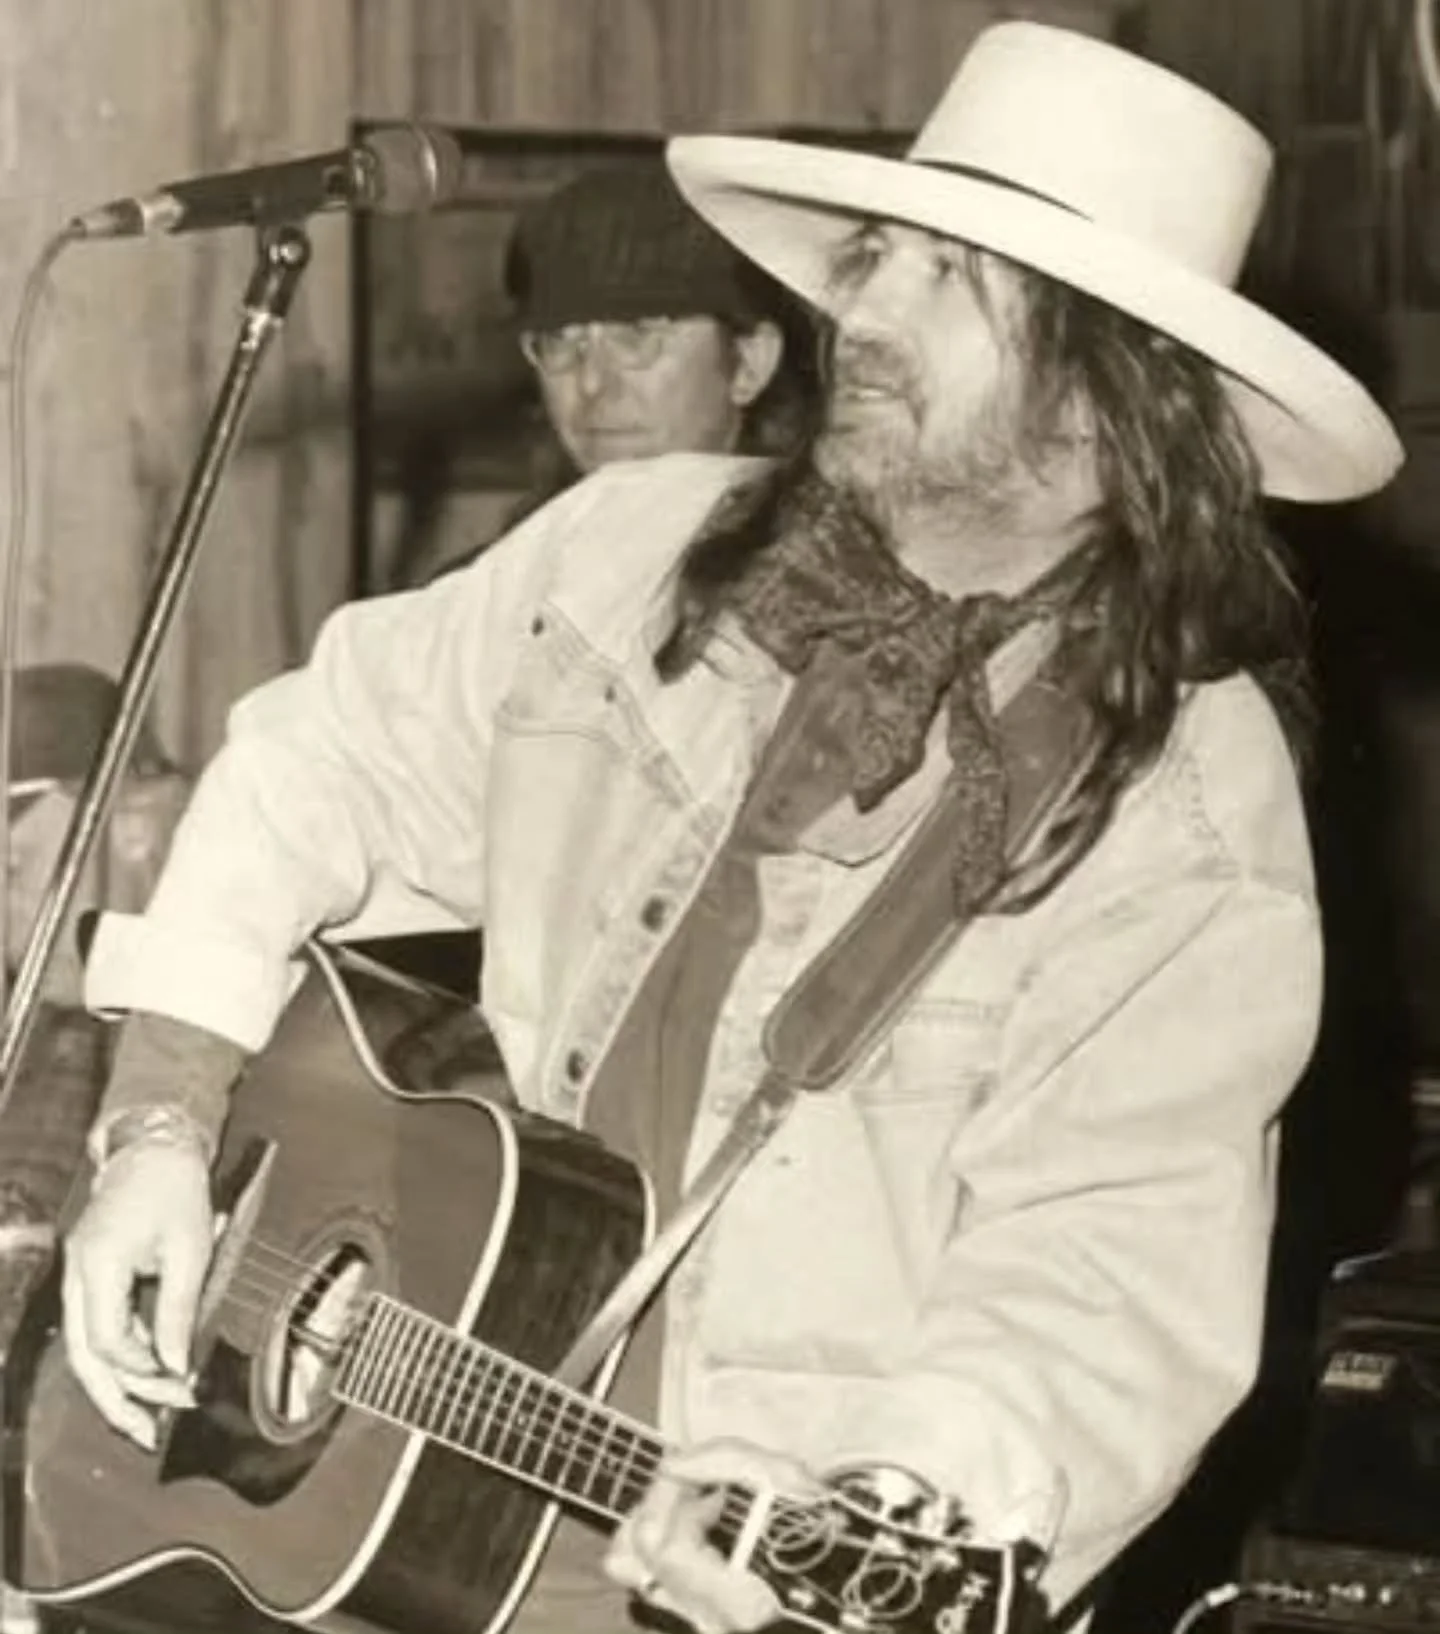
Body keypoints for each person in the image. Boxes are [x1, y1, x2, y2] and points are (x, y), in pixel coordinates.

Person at [59, 21, 1402, 1634]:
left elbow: (1103, 1282)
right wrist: (159, 1124)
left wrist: (879, 1511)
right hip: (375, 1510)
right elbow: (312, 754)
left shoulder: (1187, 794)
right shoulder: (638, 548)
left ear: (1104, 384)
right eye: (876, 255)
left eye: (943, 280)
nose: (861, 312)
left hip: (707, 1568)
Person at [398, 157, 812, 587]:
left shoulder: (825, 599)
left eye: (638, 335)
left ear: (749, 363)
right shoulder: (482, 595)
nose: (592, 382)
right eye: (560, 340)